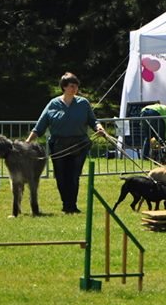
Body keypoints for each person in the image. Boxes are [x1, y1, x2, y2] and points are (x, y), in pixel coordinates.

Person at [25, 72, 106, 214]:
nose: (74, 89)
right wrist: (27, 142)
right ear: (64, 87)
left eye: (76, 86)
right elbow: (40, 126)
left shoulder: (83, 103)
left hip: (79, 144)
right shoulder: (53, 104)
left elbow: (93, 121)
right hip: (58, 145)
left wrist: (99, 128)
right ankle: (65, 204)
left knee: (74, 176)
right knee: (61, 176)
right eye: (71, 86)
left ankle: (72, 206)